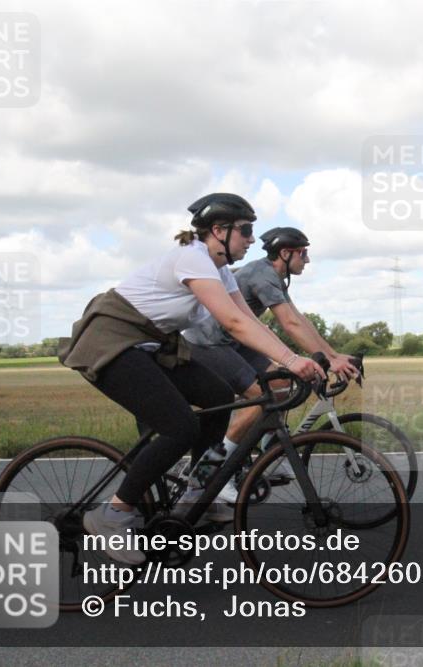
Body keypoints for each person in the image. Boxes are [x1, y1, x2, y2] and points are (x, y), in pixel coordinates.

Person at [57, 194, 324, 564]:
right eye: (245, 230)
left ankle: (197, 495)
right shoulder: (192, 258)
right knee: (179, 427)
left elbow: (247, 321)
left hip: (154, 347)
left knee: (218, 397)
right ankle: (112, 515)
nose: (250, 239)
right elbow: (231, 323)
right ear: (218, 231)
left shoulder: (222, 271)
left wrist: (282, 362)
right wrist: (293, 360)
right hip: (113, 341)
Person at [181, 226, 359, 501]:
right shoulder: (263, 274)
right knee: (260, 397)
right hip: (208, 342)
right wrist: (317, 359)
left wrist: (333, 355)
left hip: (231, 342)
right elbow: (288, 323)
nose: (307, 260)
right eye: (303, 253)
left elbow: (299, 319)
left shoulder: (273, 275)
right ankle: (210, 473)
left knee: (283, 384)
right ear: (286, 253)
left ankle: (270, 447)